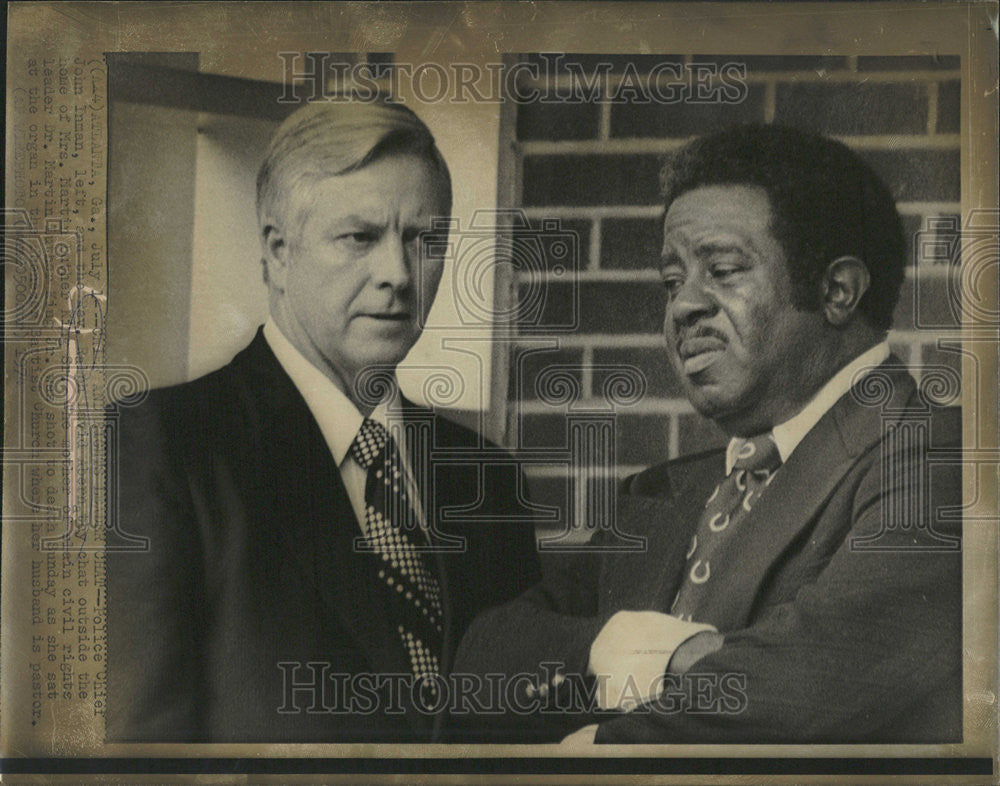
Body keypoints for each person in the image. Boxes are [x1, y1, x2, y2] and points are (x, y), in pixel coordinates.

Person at [453, 124, 962, 745]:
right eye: (672, 282)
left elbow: (808, 687)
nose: (682, 307)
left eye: (721, 270)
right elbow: (481, 661)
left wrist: (593, 751)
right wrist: (628, 646)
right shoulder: (663, 492)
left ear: (837, 291)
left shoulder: (947, 462)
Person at [106, 99, 541, 743]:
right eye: (359, 237)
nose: (396, 274)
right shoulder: (163, 443)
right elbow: (132, 754)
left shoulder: (488, 479)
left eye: (423, 240)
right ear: (278, 252)